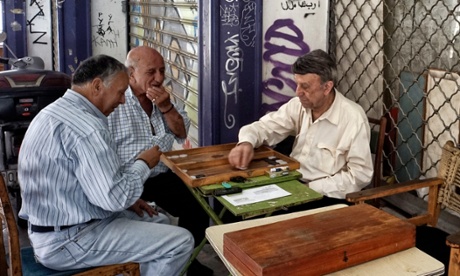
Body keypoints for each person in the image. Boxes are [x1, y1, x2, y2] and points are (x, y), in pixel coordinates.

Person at [18, 54, 194, 276]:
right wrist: (143, 162)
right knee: (180, 243)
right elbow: (115, 197)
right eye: (120, 93)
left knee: (160, 221)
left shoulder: (56, 111)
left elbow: (93, 186)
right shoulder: (87, 127)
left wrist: (126, 200)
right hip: (67, 240)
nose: (122, 100)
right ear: (97, 86)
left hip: (61, 225)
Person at [107, 46, 212, 275]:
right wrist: (125, 194)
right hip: (127, 177)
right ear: (131, 74)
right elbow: (105, 152)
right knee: (146, 220)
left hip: (158, 175)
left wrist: (165, 106)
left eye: (162, 71)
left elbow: (181, 132)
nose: (159, 78)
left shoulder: (162, 97)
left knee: (197, 205)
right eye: (151, 72)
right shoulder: (116, 101)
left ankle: (188, 259)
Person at [228, 49, 373, 208]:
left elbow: (360, 175)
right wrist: (246, 142)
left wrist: (310, 188)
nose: (298, 92)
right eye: (297, 84)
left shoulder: (352, 118)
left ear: (327, 87)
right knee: (237, 203)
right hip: (291, 182)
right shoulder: (298, 106)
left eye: (305, 86)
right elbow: (264, 127)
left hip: (327, 196)